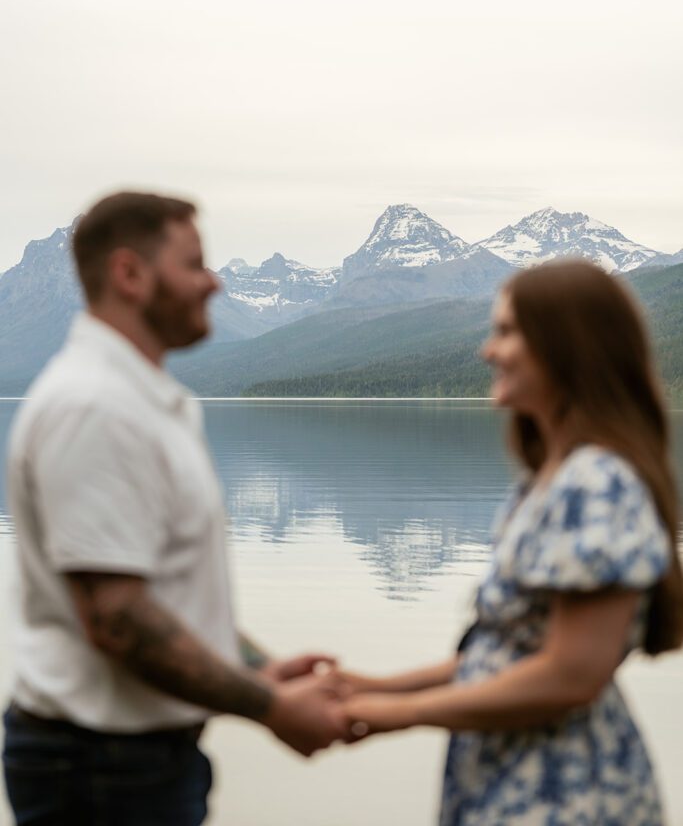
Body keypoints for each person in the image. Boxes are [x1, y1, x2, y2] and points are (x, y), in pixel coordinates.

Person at [3, 191, 350, 826]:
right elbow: (119, 619)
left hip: (128, 761)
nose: (213, 282)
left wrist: (259, 667)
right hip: (99, 769)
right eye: (194, 264)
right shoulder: (94, 407)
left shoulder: (141, 401)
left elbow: (156, 593)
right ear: (130, 274)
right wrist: (271, 707)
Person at [343, 259, 683, 825]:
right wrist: (373, 688)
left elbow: (569, 675)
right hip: (512, 776)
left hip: (564, 794)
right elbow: (503, 654)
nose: (488, 351)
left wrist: (393, 717)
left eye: (505, 331)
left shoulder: (595, 484)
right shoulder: (550, 481)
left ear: (564, 346)